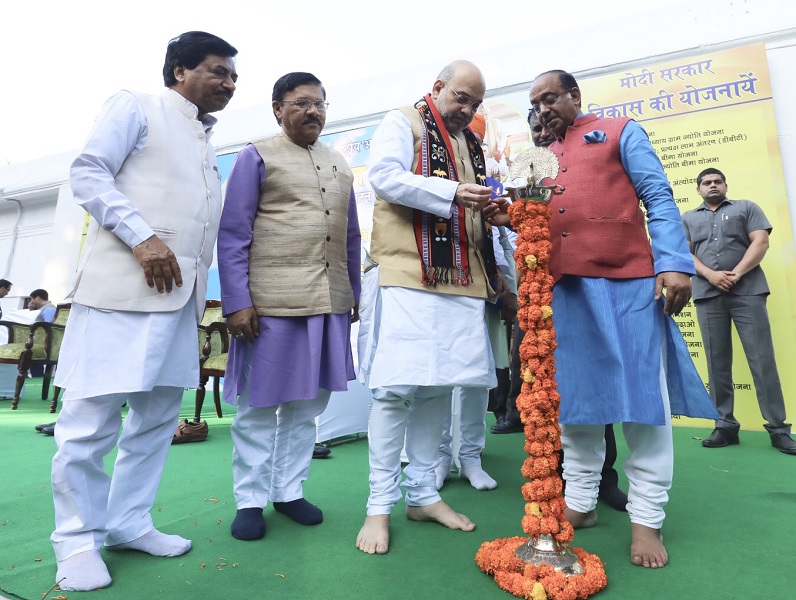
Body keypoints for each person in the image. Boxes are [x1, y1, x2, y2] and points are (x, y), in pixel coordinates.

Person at [50, 31, 238, 591]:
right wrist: (142, 238)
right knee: (89, 426)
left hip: (177, 304)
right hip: (120, 293)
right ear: (179, 71)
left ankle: (129, 522)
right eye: (216, 71)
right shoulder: (137, 105)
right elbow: (87, 172)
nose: (228, 83)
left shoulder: (205, 141)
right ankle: (77, 542)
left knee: (156, 420)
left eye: (232, 75)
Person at [518, 70, 716, 569]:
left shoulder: (620, 128)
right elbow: (527, 212)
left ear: (574, 96)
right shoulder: (537, 154)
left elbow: (659, 196)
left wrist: (673, 263)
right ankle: (581, 504)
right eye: (534, 103)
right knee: (576, 406)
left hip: (628, 286)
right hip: (561, 292)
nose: (542, 110)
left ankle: (646, 521)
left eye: (549, 99)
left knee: (643, 404)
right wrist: (511, 211)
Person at [356, 60, 500, 555]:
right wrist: (455, 192)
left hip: (462, 280)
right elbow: (384, 177)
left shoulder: (469, 143)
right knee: (396, 391)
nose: (468, 109)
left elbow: (470, 208)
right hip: (408, 274)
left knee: (440, 388)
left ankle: (422, 494)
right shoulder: (404, 120)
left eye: (476, 104)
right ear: (437, 88)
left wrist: (492, 212)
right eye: (461, 98)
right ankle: (380, 506)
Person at [217, 72, 360, 542]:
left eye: (320, 104)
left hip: (328, 303)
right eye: (301, 103)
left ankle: (289, 490)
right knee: (261, 407)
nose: (312, 112)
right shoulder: (255, 155)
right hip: (270, 306)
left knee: (307, 406)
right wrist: (237, 302)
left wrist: (352, 294)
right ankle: (250, 500)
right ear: (277, 109)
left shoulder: (339, 162)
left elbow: (351, 237)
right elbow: (234, 233)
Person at [681, 168, 796, 454]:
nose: (712, 185)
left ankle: (779, 429)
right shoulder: (687, 218)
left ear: (725, 185)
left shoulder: (747, 208)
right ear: (698, 190)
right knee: (716, 363)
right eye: (706, 183)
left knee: (762, 360)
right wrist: (711, 275)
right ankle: (725, 425)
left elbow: (761, 241)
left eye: (717, 181)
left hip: (748, 292)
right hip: (709, 295)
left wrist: (736, 273)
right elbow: (683, 252)